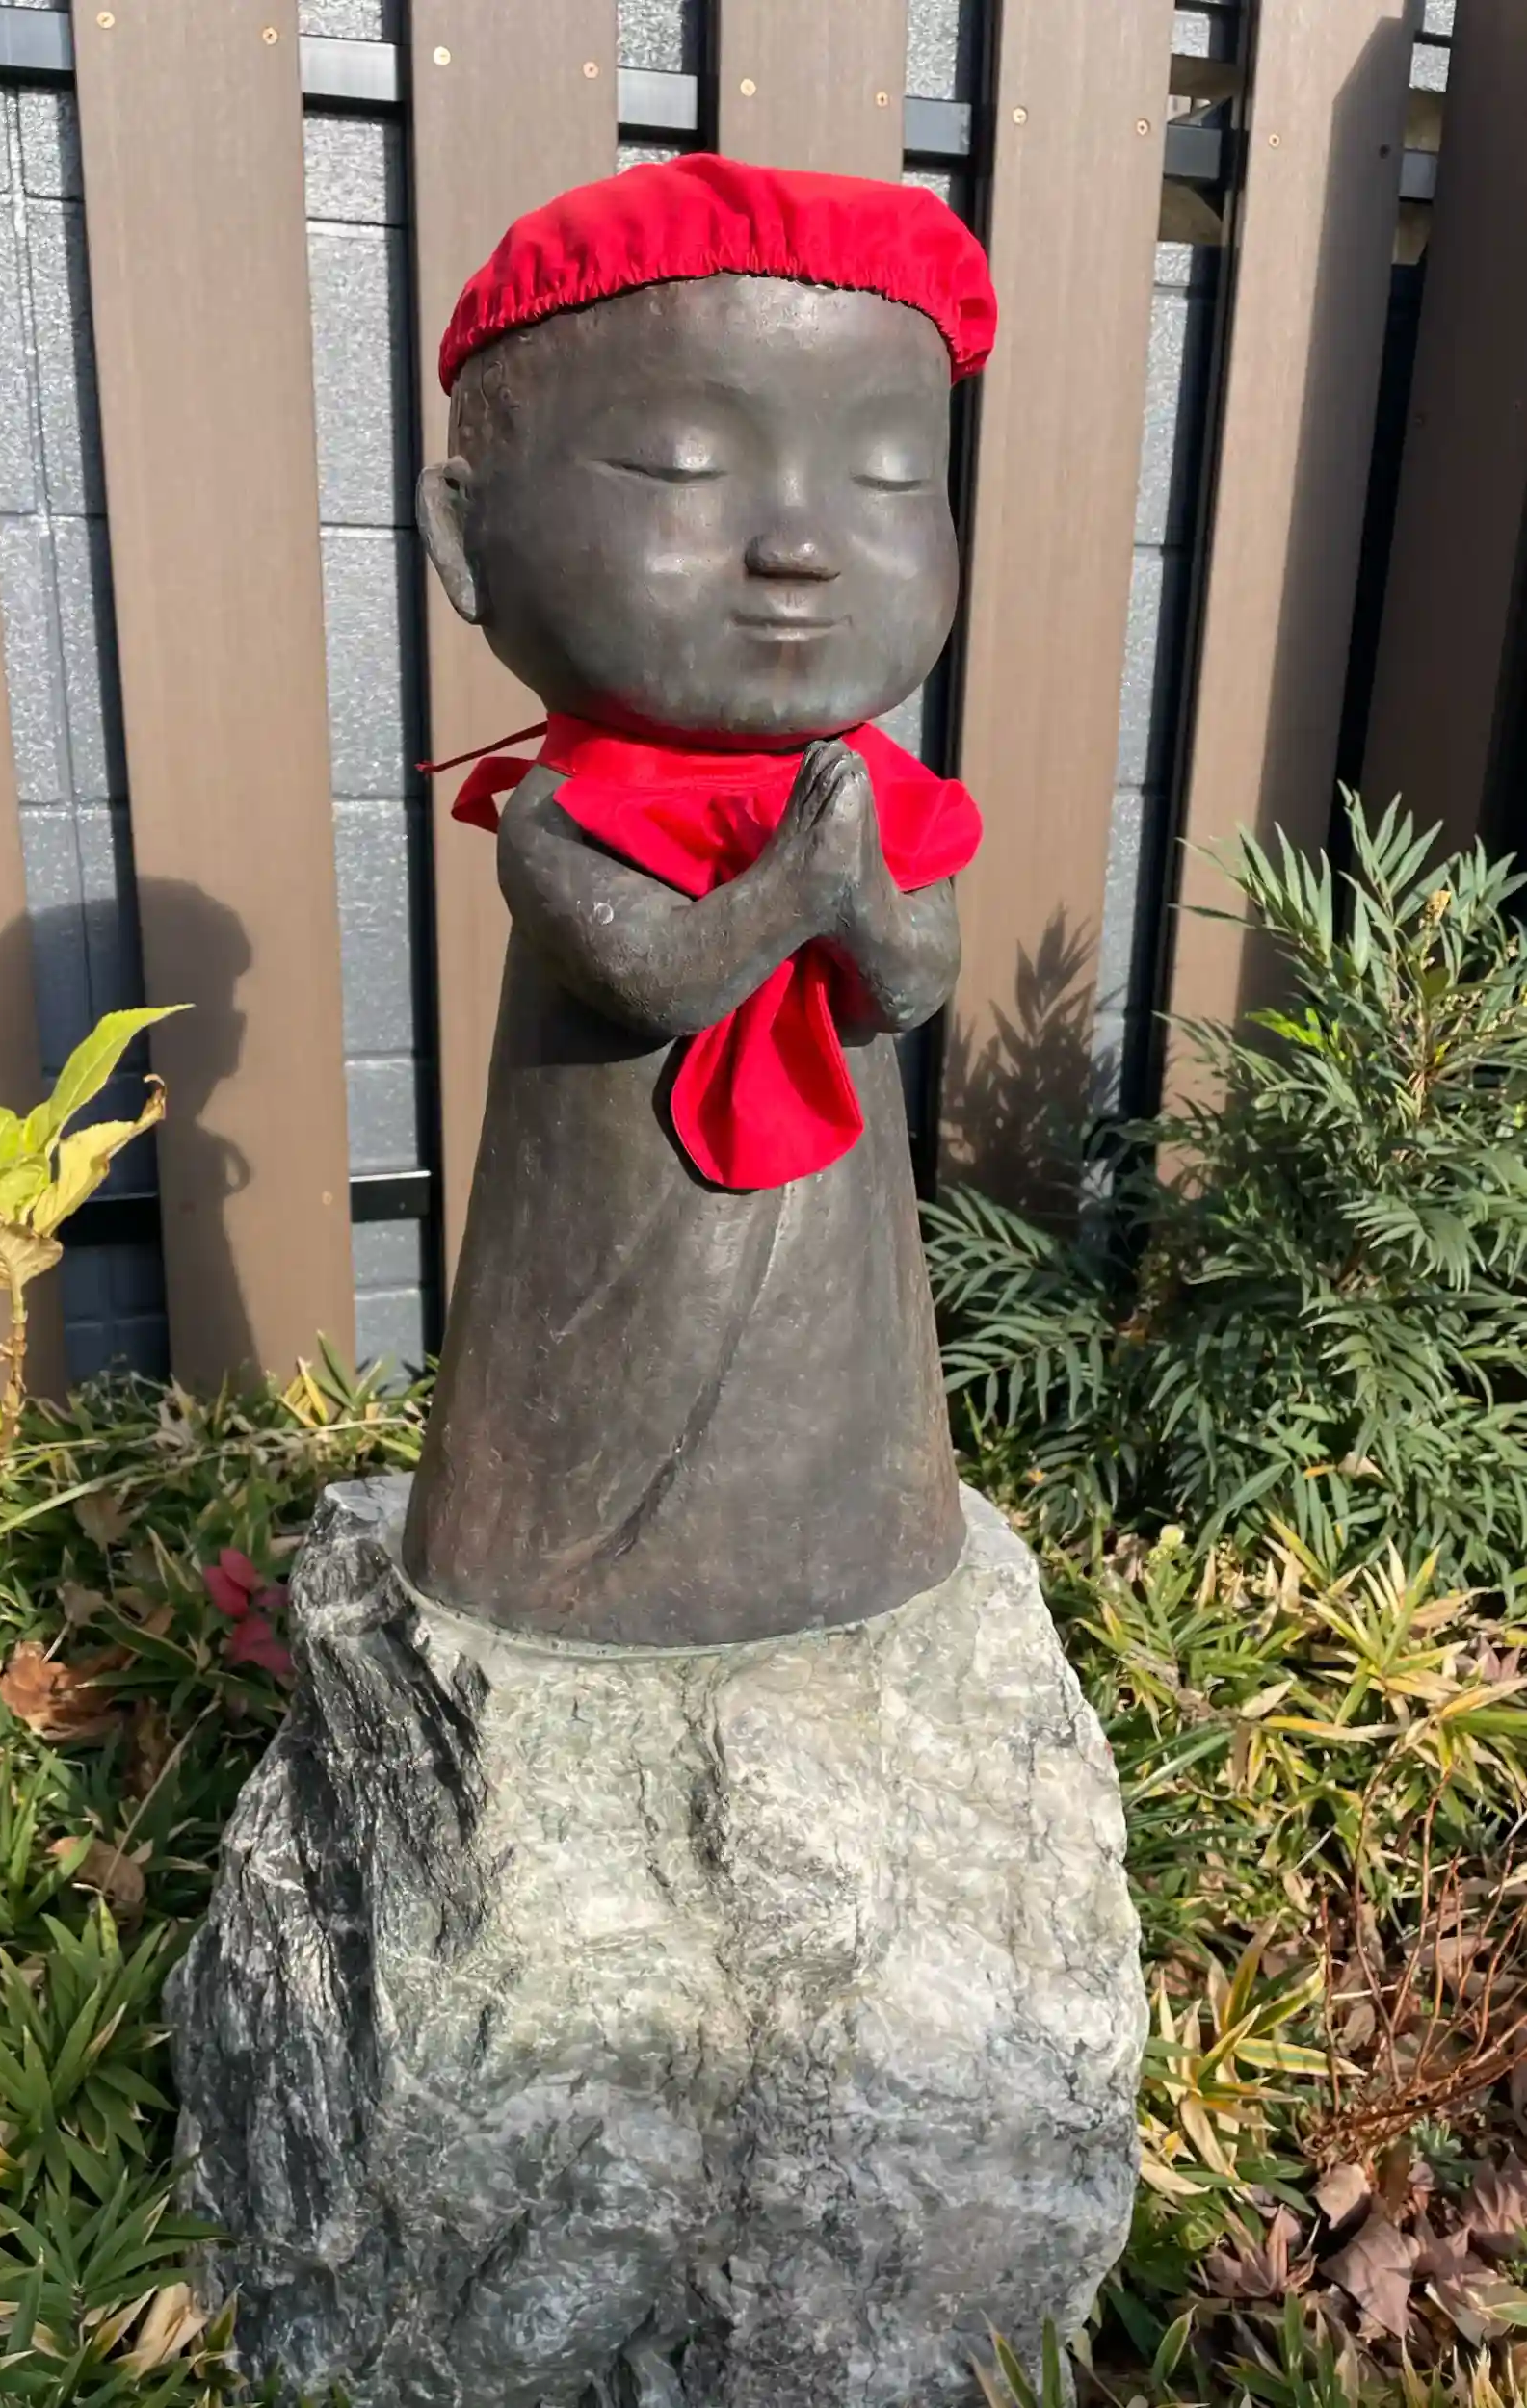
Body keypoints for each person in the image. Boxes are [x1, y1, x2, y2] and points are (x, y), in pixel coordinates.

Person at [404, 153, 997, 1648]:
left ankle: (857, 1540)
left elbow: (911, 981)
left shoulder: (874, 799)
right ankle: (573, 1574)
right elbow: (655, 982)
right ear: (464, 540)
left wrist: (860, 899)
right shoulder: (561, 818)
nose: (798, 546)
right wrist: (792, 888)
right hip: (601, 1260)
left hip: (833, 1268)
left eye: (885, 480)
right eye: (681, 469)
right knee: (576, 1429)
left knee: (845, 1401)